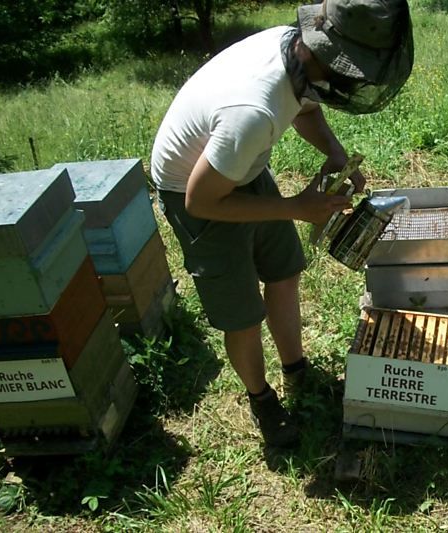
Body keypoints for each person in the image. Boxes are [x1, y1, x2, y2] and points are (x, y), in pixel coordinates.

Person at [150, 0, 413, 447]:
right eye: (353, 70)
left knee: (284, 273)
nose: (355, 80)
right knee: (242, 316)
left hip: (240, 168)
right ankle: (262, 400)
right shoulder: (252, 110)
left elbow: (306, 107)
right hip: (197, 190)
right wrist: (296, 206)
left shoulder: (297, 54)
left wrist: (334, 154)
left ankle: (296, 370)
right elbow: (202, 200)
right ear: (323, 53)